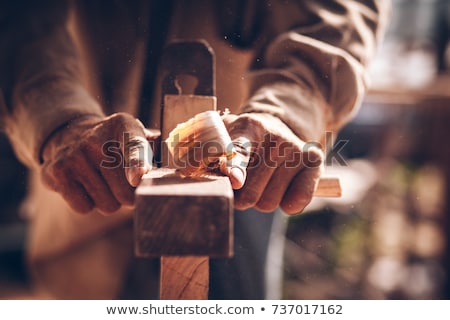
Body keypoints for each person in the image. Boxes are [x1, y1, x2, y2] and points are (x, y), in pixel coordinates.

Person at [0, 0, 390, 299]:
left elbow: (338, 12)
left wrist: (290, 107)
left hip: (246, 181)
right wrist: (55, 116)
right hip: (88, 182)